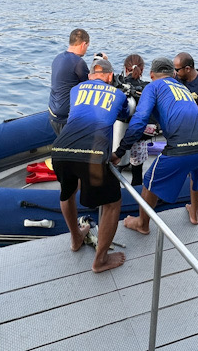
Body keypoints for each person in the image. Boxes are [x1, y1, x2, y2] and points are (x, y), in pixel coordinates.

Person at [112, 57, 198, 233]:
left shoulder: (152, 87)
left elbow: (139, 121)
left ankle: (142, 224)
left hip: (182, 148)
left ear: (151, 74)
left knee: (150, 180)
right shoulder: (183, 88)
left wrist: (120, 151)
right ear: (172, 74)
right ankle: (194, 213)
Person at [51, 58, 130, 273]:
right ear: (110, 77)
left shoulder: (76, 90)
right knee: (112, 203)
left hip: (60, 150)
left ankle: (76, 239)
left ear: (89, 77)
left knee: (66, 193)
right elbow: (124, 115)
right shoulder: (119, 94)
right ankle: (100, 260)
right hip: (93, 155)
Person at [113, 53, 150, 186]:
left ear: (125, 68)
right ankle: (135, 198)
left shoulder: (117, 85)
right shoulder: (147, 88)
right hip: (137, 139)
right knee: (137, 172)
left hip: (118, 134)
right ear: (143, 69)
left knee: (116, 169)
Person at [48, 29, 90, 136]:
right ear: (83, 44)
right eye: (87, 46)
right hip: (65, 116)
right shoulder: (78, 63)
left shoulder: (58, 58)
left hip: (52, 112)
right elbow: (90, 86)